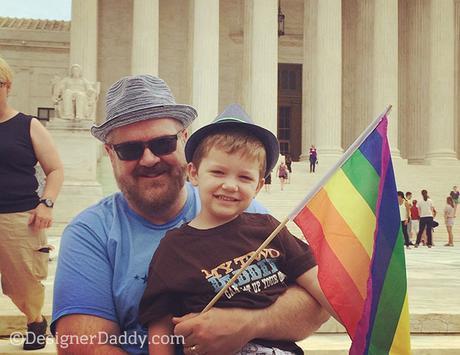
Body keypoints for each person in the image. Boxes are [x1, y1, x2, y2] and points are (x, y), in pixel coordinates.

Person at [51, 75, 329, 354]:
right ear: (110, 154)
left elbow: (317, 303)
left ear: (184, 140)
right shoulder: (89, 232)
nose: (149, 159)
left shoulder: (246, 213)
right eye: (130, 149)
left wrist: (248, 324)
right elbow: (80, 345)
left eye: (163, 143)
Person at [139, 104, 338, 355]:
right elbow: (159, 325)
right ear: (194, 173)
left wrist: (362, 326)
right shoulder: (174, 248)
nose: (231, 185)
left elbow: (321, 284)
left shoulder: (269, 230)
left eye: (244, 178)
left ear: (258, 186)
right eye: (218, 172)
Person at [0, 56, 64, 350]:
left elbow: (55, 169)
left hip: (18, 217)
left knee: (21, 285)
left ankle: (35, 321)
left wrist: (46, 203)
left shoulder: (27, 125)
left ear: (7, 86)